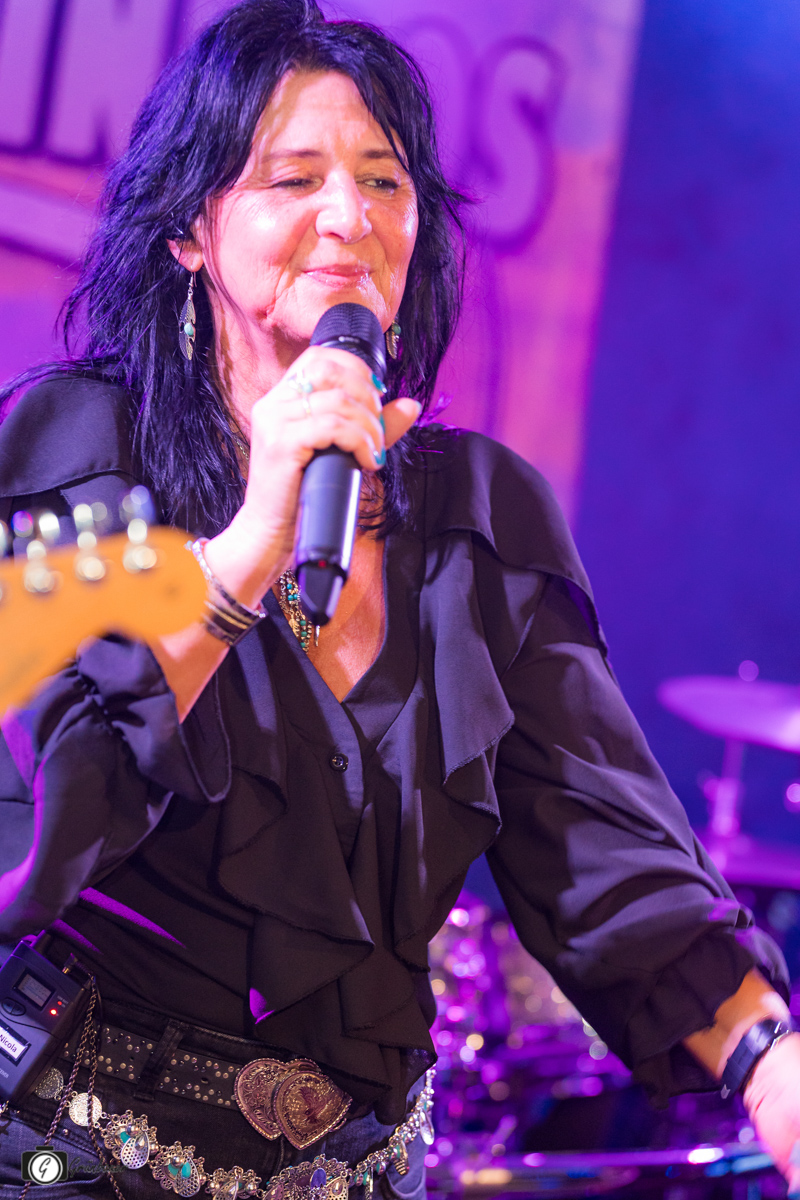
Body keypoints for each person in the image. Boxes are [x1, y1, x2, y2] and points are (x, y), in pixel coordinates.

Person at [0, 1, 799, 1197]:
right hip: (76, 1149)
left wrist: (768, 1066)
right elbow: (41, 806)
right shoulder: (76, 449)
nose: (350, 216)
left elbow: (604, 848)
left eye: (383, 180)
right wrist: (249, 548)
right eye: (293, 178)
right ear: (188, 230)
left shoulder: (479, 517)